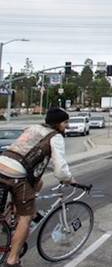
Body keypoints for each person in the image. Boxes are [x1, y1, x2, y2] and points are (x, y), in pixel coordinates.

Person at [0, 107, 75, 267]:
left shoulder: (33, 127)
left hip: (2, 164)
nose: (67, 126)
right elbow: (60, 169)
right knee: (25, 219)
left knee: (38, 183)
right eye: (65, 122)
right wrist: (69, 179)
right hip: (16, 174)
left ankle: (13, 212)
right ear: (58, 124)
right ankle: (12, 259)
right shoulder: (55, 137)